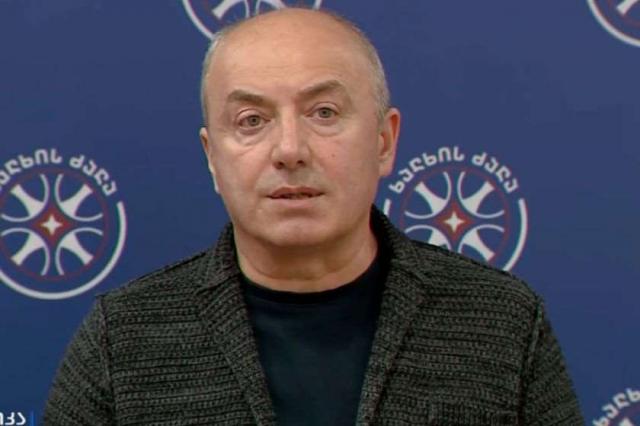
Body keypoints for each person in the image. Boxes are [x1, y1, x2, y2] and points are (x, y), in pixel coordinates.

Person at [43, 7, 584, 425]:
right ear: (212, 157)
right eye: (251, 120)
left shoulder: (504, 323)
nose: (289, 150)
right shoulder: (123, 337)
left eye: (324, 112)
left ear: (384, 141)